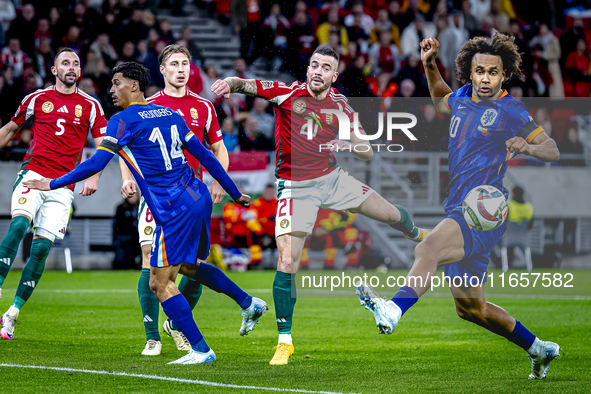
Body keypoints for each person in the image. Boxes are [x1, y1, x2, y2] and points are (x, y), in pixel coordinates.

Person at [24, 62, 268, 365]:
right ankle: (248, 303)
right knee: (190, 265)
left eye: (117, 83)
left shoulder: (122, 120)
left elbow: (96, 164)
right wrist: (233, 192)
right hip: (198, 196)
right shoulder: (171, 114)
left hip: (174, 206)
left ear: (135, 86)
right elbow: (204, 155)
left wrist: (53, 182)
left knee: (158, 282)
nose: (111, 90)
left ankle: (201, 350)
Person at [356, 33, 561, 380]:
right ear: (470, 72)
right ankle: (539, 348)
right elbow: (440, 101)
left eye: (493, 73)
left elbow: (552, 148)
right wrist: (429, 63)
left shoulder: (512, 110)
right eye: (479, 71)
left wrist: (527, 148)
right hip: (459, 208)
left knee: (428, 248)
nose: (485, 79)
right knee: (471, 309)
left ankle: (393, 309)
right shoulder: (464, 96)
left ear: (503, 74)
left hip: (482, 213)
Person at [211, 44, 428, 365]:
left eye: (325, 67)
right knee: (287, 261)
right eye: (314, 65)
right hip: (295, 187)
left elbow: (367, 150)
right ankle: (285, 341)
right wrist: (227, 83)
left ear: (333, 75)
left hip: (332, 178)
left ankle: (421, 237)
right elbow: (247, 84)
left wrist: (349, 143)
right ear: (308, 69)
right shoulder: (287, 93)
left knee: (392, 214)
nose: (317, 71)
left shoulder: (340, 104)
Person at [119, 45, 259, 356]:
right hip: (157, 199)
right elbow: (120, 147)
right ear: (163, 70)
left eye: (185, 63)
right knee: (149, 259)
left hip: (192, 196)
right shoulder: (148, 104)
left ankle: (179, 325)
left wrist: (219, 182)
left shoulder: (204, 107)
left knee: (193, 266)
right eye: (174, 64)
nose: (180, 69)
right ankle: (152, 337)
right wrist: (127, 179)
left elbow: (216, 148)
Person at [0, 48, 107, 340]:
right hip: (33, 175)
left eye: (75, 63)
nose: (71, 67)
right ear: (54, 70)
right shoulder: (36, 99)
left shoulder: (91, 106)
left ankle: (12, 313)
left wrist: (94, 176)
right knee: (20, 225)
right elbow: (10, 130)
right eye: (65, 63)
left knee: (41, 249)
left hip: (62, 186)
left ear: (80, 71)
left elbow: (104, 146)